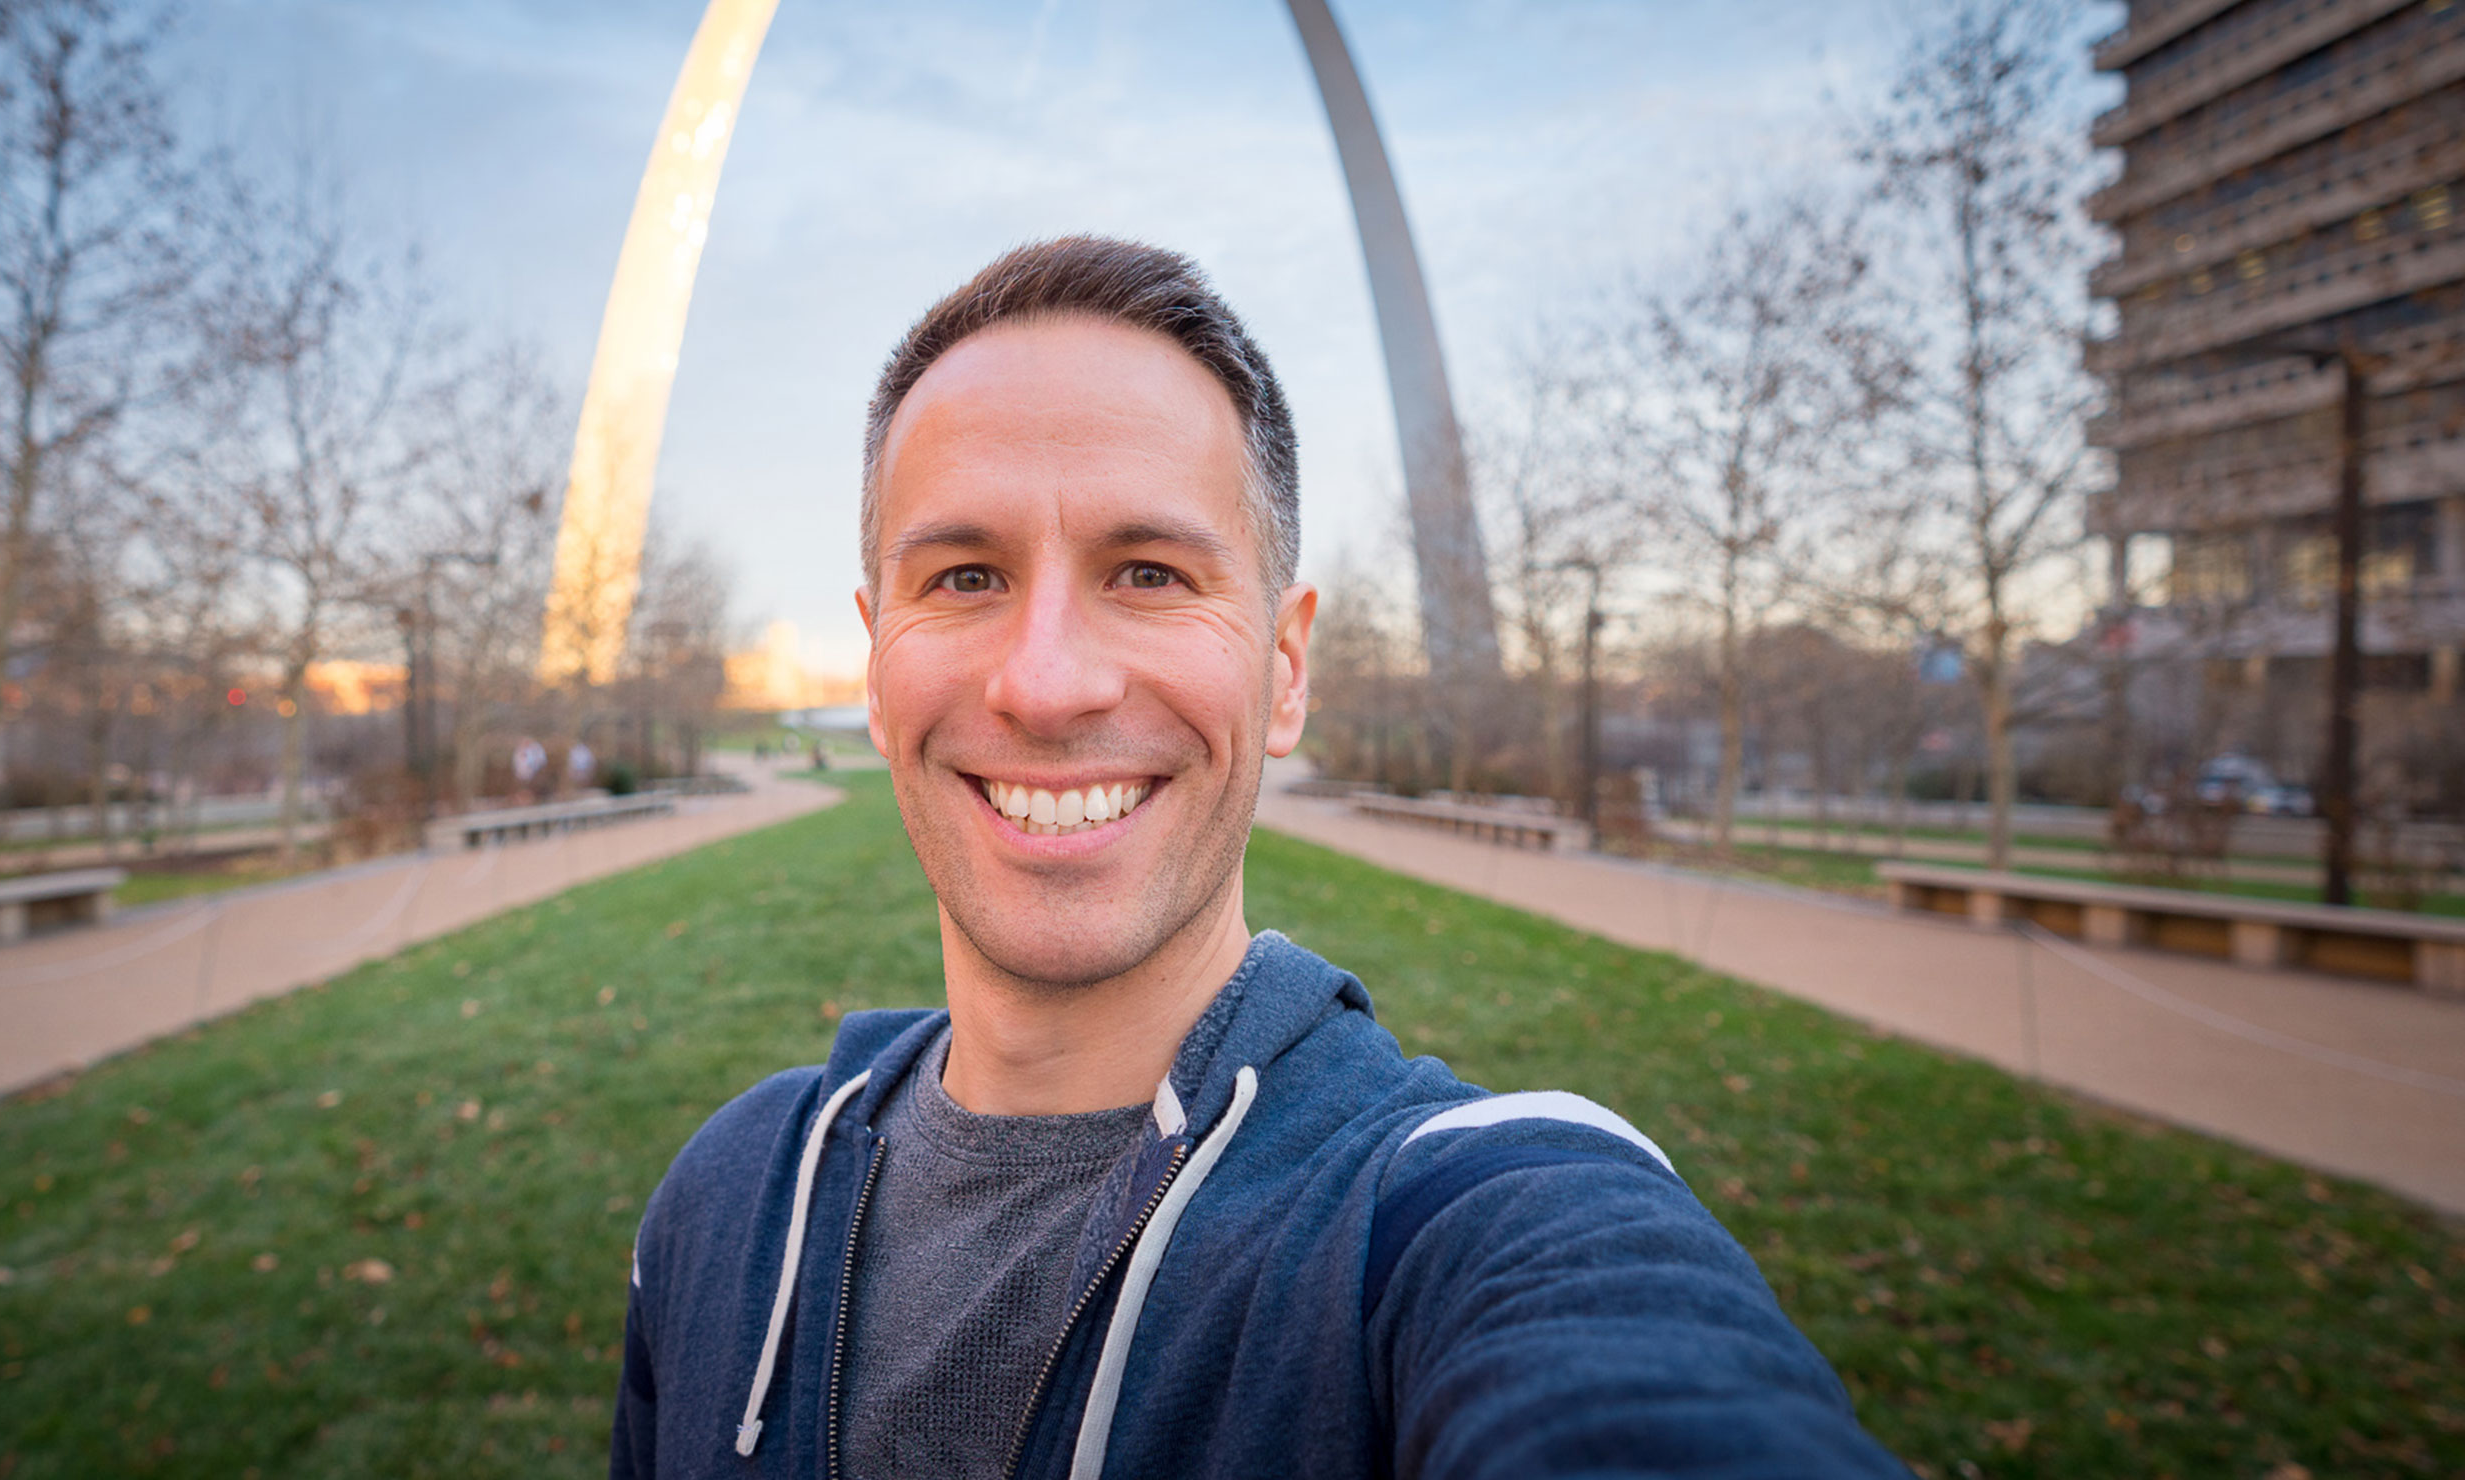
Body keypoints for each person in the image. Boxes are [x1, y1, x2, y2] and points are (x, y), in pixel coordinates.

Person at [613, 238, 1903, 1479]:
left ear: (1284, 673)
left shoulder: (1452, 1223)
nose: (1048, 682)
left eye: (1150, 572)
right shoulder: (719, 1203)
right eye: (962, 577)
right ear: (877, 665)